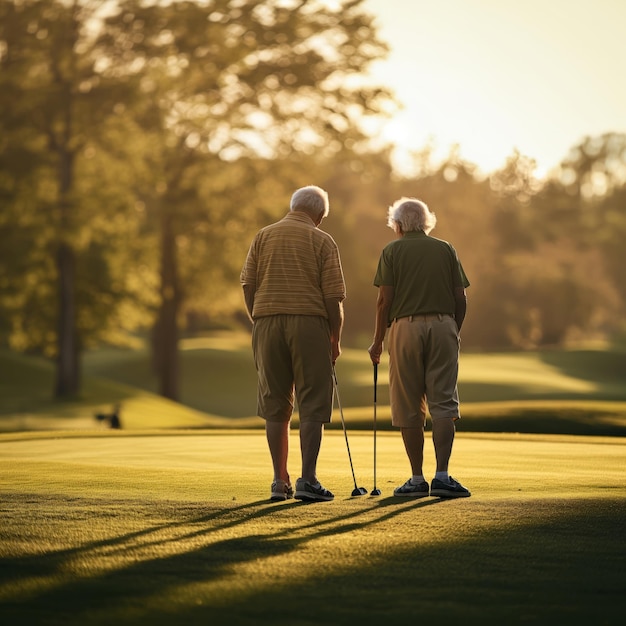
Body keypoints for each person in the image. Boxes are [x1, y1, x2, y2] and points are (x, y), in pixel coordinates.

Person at [241, 185, 346, 503]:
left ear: (293, 206)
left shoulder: (264, 235)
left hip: (267, 322)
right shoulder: (322, 240)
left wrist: (258, 317)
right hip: (309, 322)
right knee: (312, 402)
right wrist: (335, 338)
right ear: (320, 215)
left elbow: (248, 283)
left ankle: (279, 480)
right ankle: (308, 480)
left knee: (275, 403)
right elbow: (333, 297)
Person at [367, 197, 471, 498]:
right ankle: (442, 476)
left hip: (405, 327)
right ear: (426, 223)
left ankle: (416, 479)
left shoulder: (392, 250)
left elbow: (384, 300)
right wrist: (452, 329)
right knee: (444, 404)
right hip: (443, 325)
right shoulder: (445, 248)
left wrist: (377, 340)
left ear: (397, 224)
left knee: (408, 404)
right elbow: (460, 297)